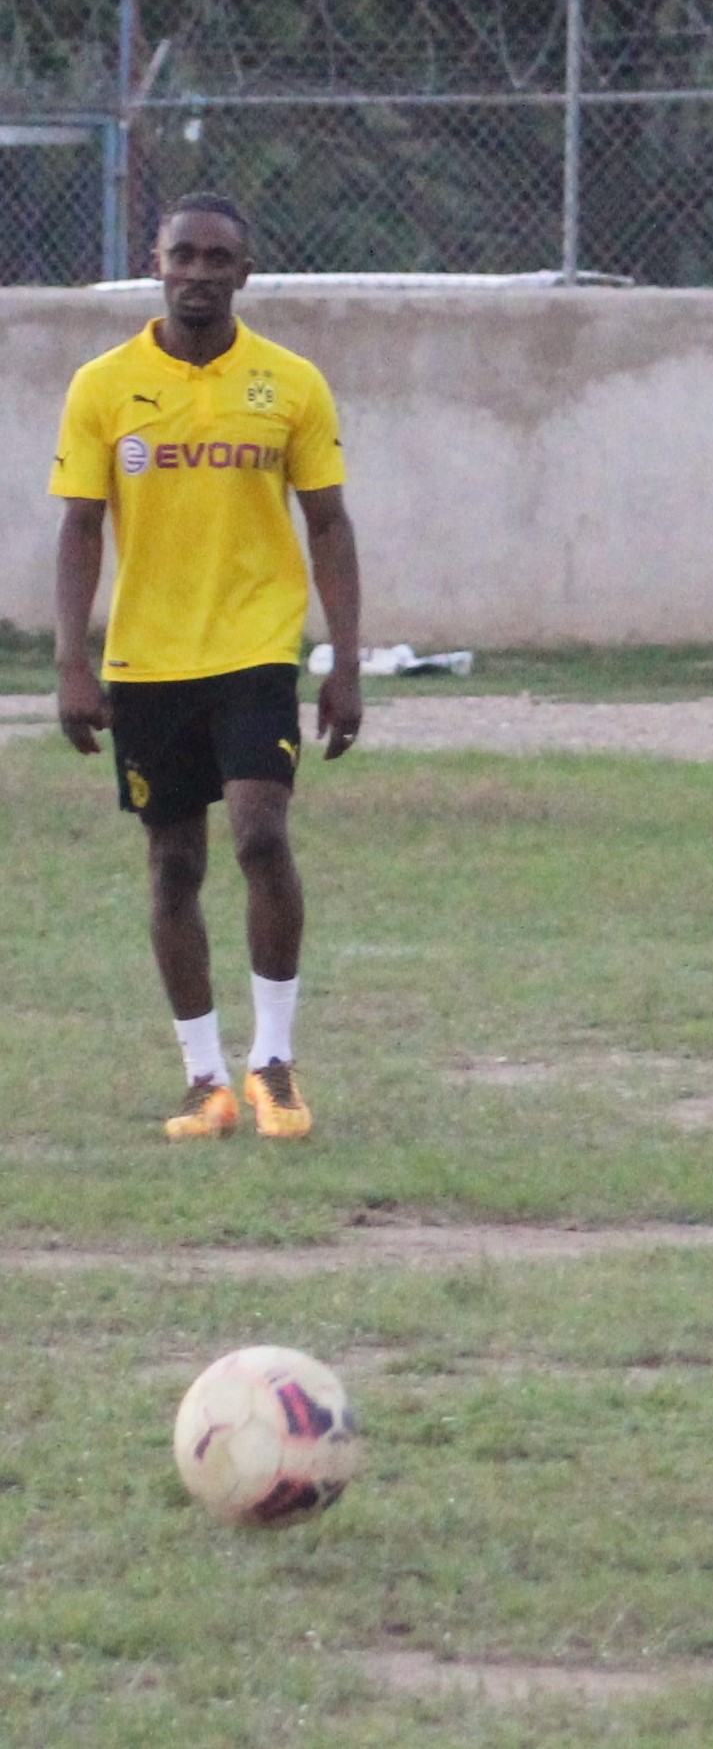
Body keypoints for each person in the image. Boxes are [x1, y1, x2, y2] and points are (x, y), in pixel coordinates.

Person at [53, 192, 362, 1142]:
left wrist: (344, 659)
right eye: (181, 254)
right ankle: (204, 1078)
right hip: (147, 660)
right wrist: (72, 658)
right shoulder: (103, 385)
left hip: (254, 650)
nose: (196, 271)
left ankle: (274, 1063)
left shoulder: (291, 383)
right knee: (173, 861)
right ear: (157, 263)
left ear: (244, 273)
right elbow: (79, 526)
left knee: (261, 836)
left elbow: (328, 523)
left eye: (215, 257)